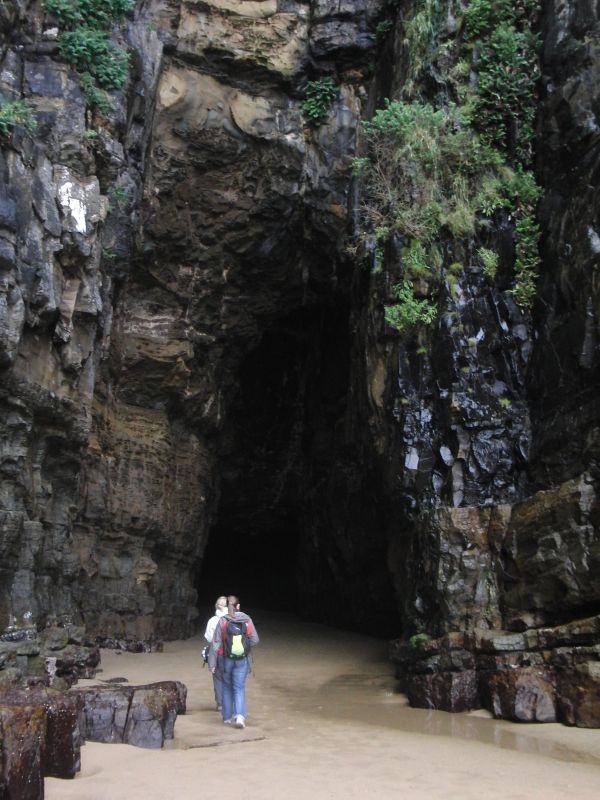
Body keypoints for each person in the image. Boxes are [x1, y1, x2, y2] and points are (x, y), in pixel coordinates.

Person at [208, 595, 259, 729]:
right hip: (242, 659)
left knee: (226, 686)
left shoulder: (223, 621)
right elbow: (255, 640)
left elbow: (215, 643)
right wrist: (244, 646)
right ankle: (240, 717)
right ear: (238, 606)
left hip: (226, 659)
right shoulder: (247, 619)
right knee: (239, 687)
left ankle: (226, 717)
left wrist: (212, 663)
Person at [204, 596, 228, 711]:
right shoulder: (234, 619)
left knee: (218, 679)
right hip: (231, 654)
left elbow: (208, 638)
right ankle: (231, 704)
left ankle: (220, 704)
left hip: (216, 654)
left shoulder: (212, 620)